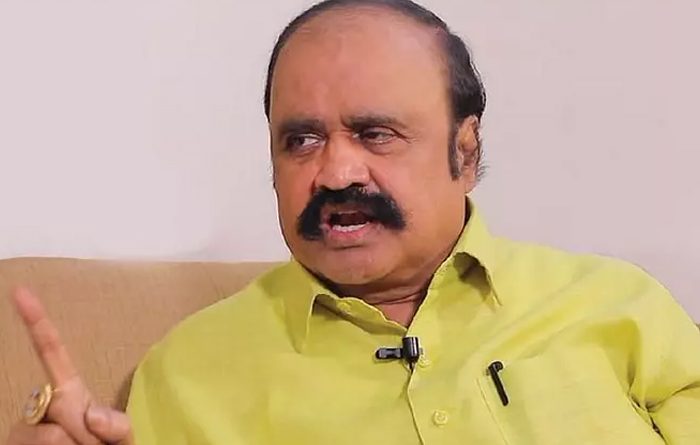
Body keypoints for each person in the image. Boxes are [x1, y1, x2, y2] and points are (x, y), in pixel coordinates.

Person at [7, 0, 700, 444]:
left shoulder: (616, 304)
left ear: (465, 151)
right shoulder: (188, 373)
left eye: (375, 133)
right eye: (302, 139)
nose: (336, 172)